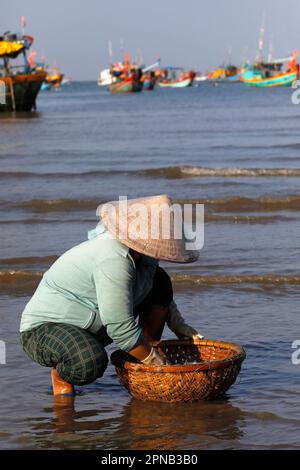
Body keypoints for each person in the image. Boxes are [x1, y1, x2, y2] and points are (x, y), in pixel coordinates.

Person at [20, 195, 204, 396]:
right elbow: (120, 327)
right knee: (88, 362)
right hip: (46, 329)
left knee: (160, 280)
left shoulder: (143, 254)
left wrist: (181, 327)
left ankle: (142, 357)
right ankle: (62, 374)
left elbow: (159, 292)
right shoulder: (113, 257)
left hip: (94, 323)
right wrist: (157, 362)